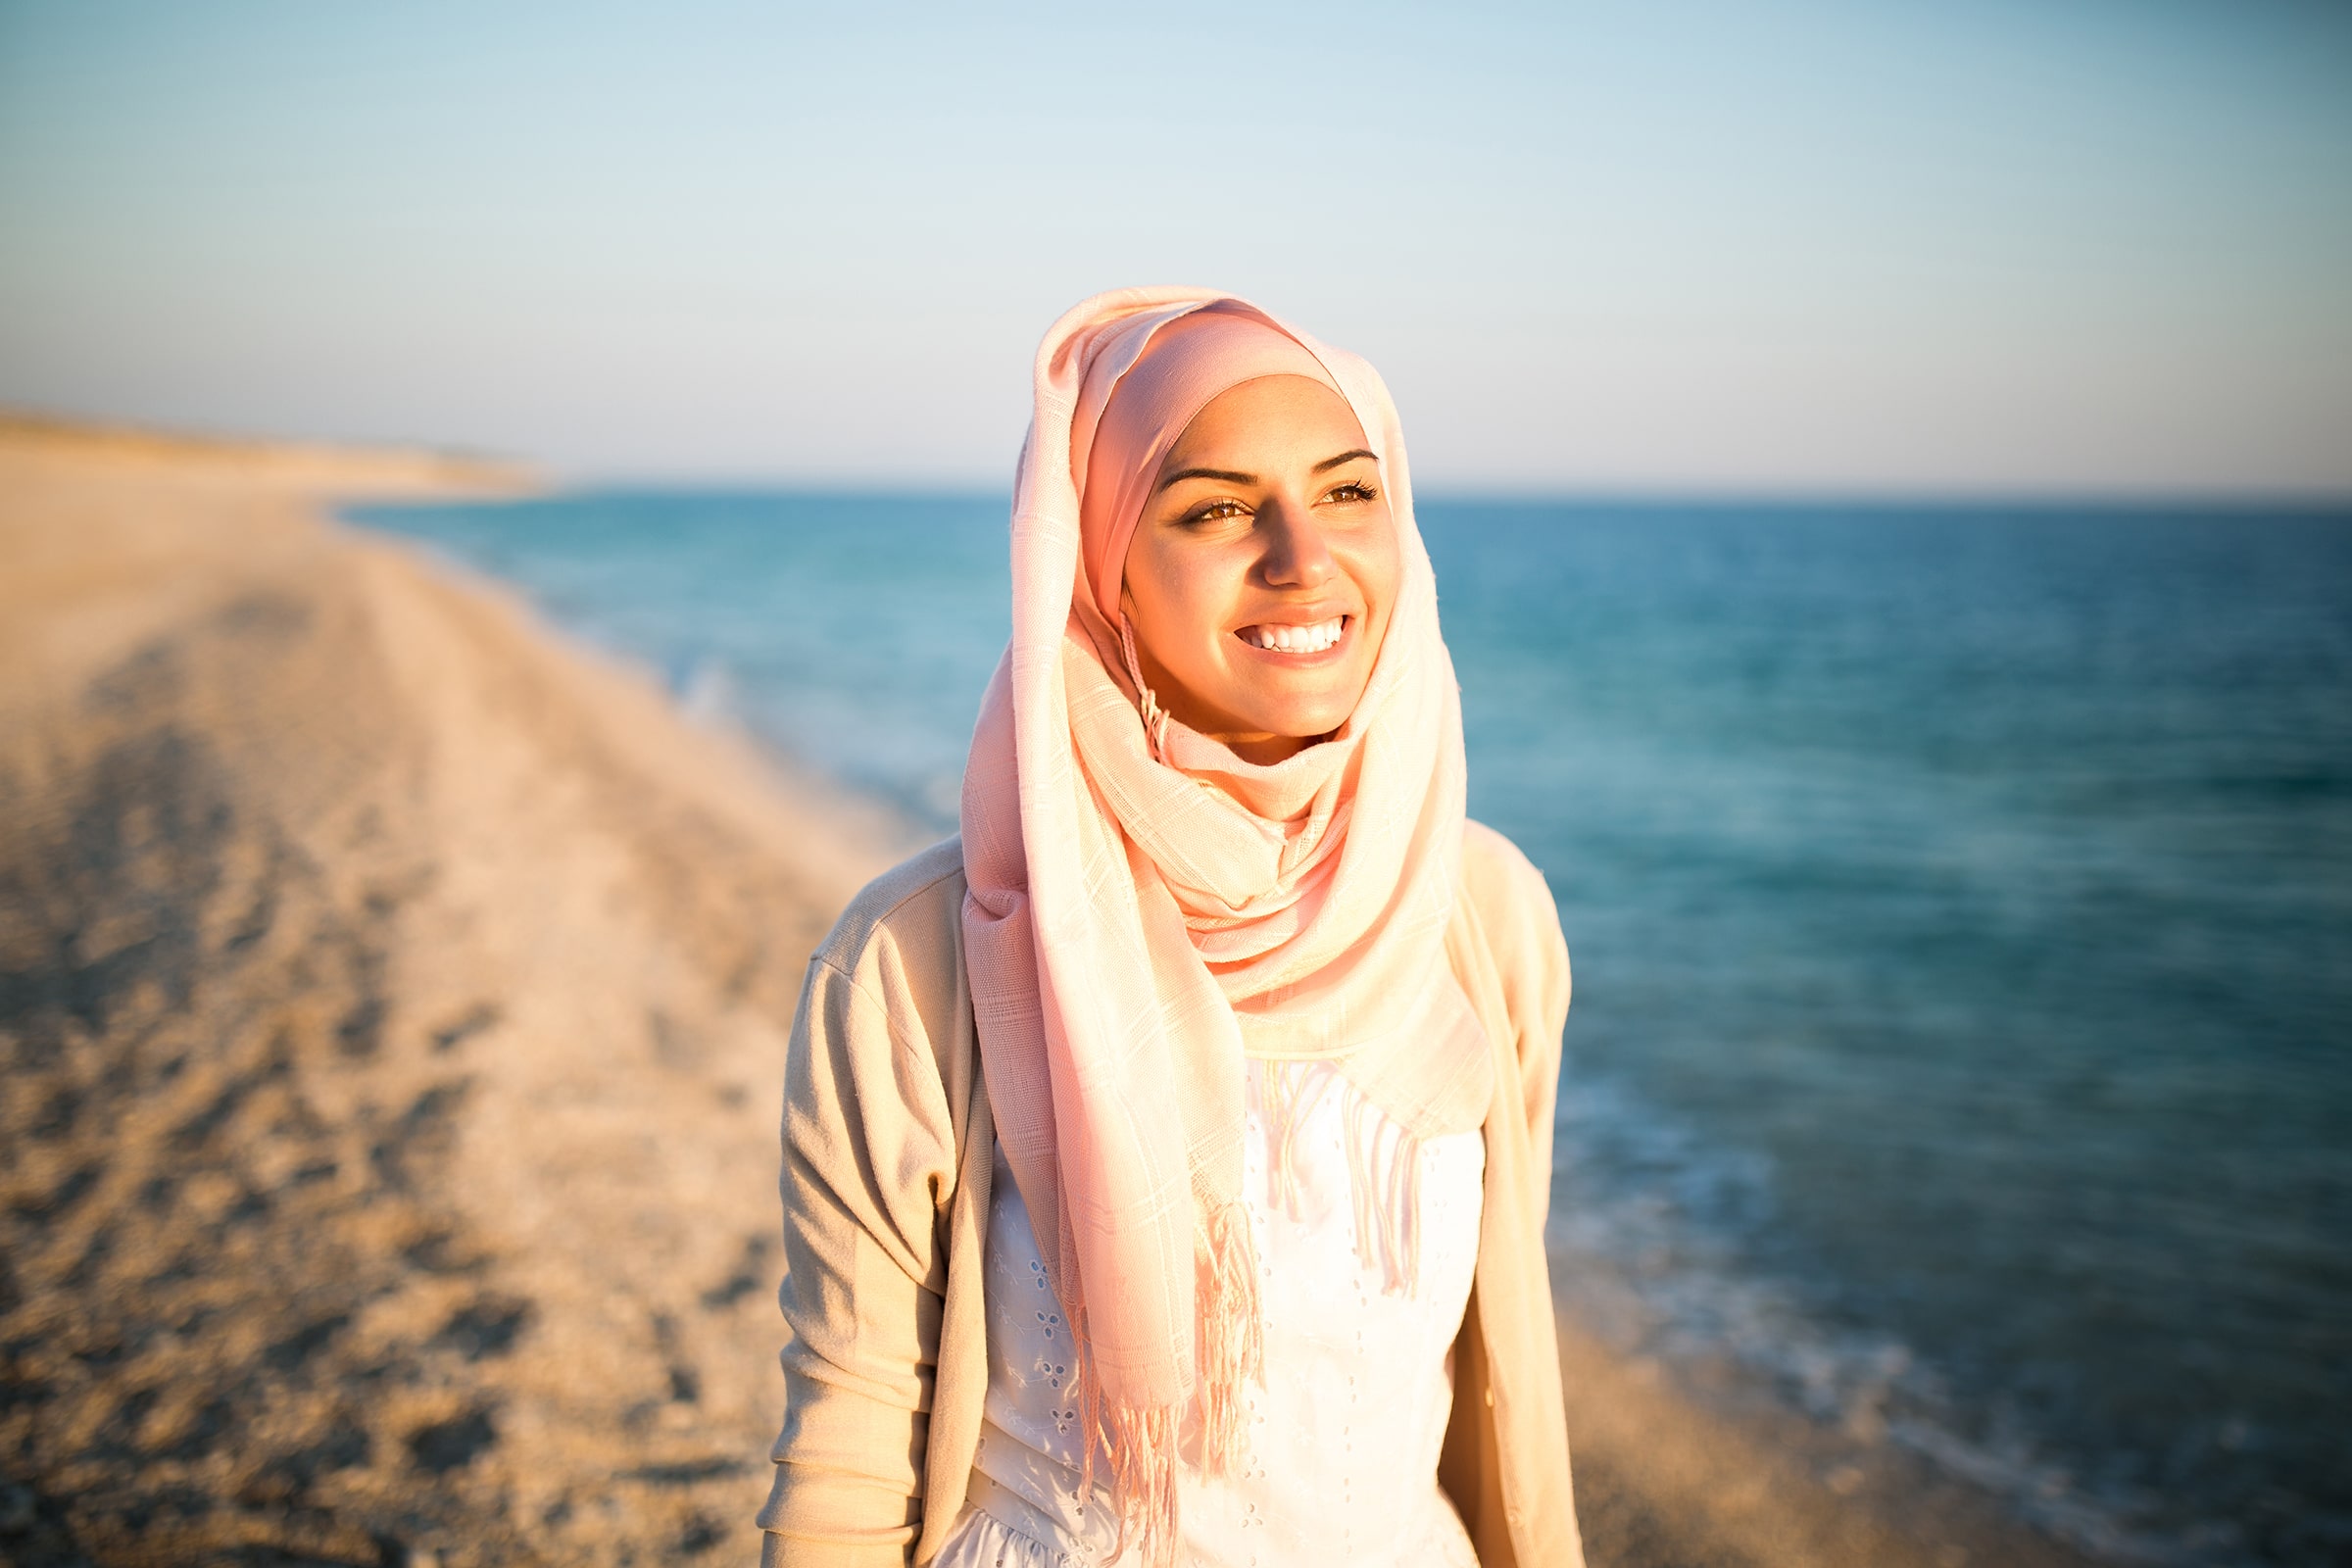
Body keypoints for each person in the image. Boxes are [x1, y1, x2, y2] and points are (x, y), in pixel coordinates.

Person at [759, 288, 1583, 1568]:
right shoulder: (921, 962)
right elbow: (848, 1452)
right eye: (1213, 507)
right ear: (1103, 567)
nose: (1303, 558)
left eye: (1349, 492)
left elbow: (1499, 1384)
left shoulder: (1482, 915)